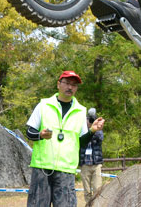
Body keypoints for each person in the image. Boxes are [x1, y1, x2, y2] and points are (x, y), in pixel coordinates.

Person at [25, 71, 105, 207]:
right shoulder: (43, 105)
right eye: (67, 83)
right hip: (42, 168)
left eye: (74, 85)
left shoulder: (81, 111)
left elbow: (81, 142)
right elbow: (29, 132)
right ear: (58, 84)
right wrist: (40, 135)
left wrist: (92, 131)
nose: (70, 87)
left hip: (66, 170)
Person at [79, 108, 104, 205]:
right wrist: (87, 128)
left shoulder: (98, 127)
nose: (90, 121)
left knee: (98, 189)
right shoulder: (82, 127)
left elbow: (100, 138)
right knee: (87, 191)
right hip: (85, 164)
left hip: (96, 163)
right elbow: (79, 140)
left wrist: (94, 129)